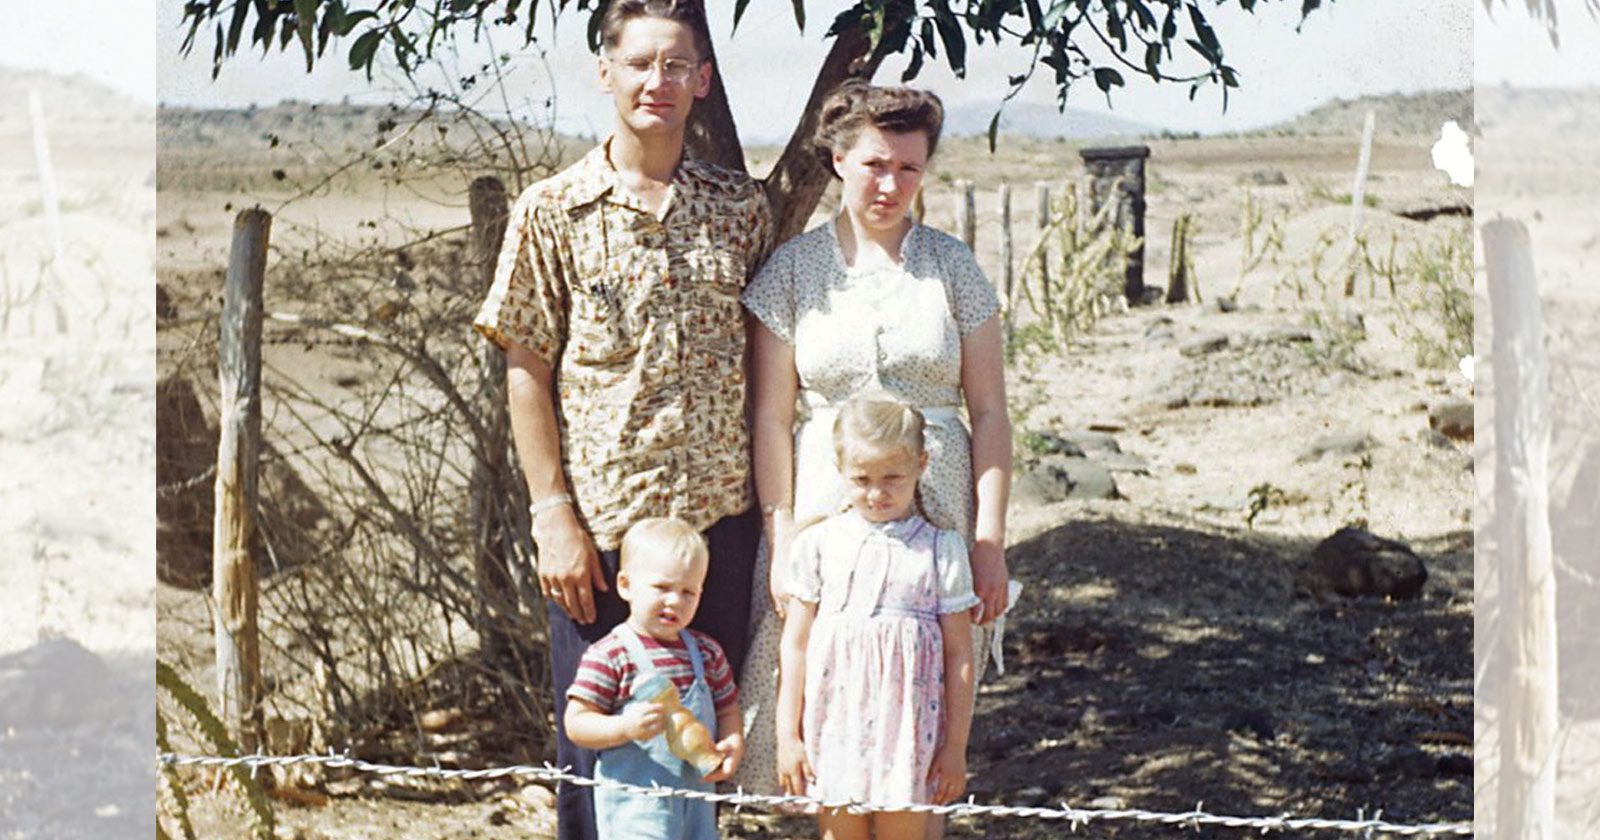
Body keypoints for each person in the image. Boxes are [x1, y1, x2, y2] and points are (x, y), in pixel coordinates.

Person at [472, 1, 771, 837]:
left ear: (703, 81)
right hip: (602, 543)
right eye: (639, 63)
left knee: (700, 752)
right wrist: (550, 512)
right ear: (605, 73)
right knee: (598, 761)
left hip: (715, 533)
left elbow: (764, 364)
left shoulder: (739, 209)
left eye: (677, 66)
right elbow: (525, 369)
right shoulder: (551, 212)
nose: (658, 82)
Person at [734, 82, 1013, 811]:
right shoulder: (793, 272)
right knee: (821, 685)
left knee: (928, 699)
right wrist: (783, 526)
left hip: (940, 501)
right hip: (827, 506)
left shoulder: (953, 268)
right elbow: (770, 416)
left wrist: (988, 539)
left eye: (909, 169)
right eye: (873, 165)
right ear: (837, 161)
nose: (890, 185)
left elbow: (988, 412)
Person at [775, 395, 977, 839]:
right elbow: (795, 644)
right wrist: (787, 736)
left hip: (908, 737)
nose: (876, 493)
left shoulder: (940, 550)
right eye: (862, 478)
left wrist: (955, 746)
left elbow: (961, 653)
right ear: (839, 470)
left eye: (892, 478)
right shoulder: (818, 545)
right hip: (835, 729)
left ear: (921, 465)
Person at [566, 518, 744, 840]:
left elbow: (728, 709)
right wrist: (622, 727)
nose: (675, 601)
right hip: (636, 808)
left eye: (689, 592)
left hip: (697, 806)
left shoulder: (706, 653)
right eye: (662, 587)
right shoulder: (611, 654)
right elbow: (576, 722)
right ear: (625, 585)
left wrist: (732, 742)